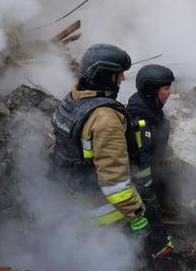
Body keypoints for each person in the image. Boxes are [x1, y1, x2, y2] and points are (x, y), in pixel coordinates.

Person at [50, 43, 166, 258]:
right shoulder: (105, 119)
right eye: (118, 74)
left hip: (74, 195)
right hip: (104, 209)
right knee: (117, 258)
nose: (122, 79)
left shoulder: (73, 100)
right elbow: (114, 180)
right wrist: (136, 213)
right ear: (104, 75)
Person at [126, 64, 176, 258]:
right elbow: (141, 168)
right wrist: (151, 200)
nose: (170, 92)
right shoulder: (140, 121)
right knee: (152, 216)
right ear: (152, 91)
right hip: (140, 186)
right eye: (166, 88)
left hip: (156, 173)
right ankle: (158, 254)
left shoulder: (153, 110)